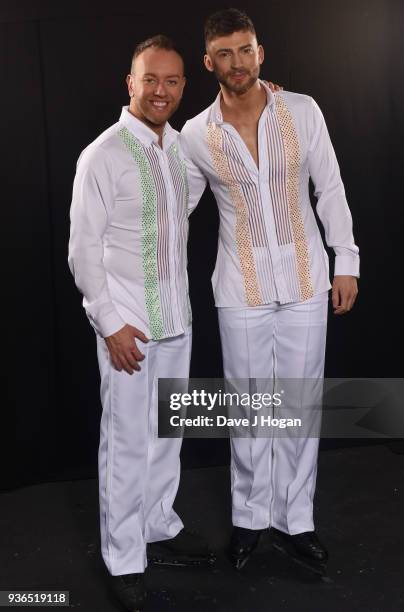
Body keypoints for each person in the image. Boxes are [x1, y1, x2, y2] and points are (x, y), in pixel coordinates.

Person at [180, 8, 359, 570]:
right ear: (210, 63)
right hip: (240, 287)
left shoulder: (302, 111)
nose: (238, 62)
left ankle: (295, 521)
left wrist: (346, 260)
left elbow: (329, 186)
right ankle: (251, 520)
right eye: (225, 53)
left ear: (261, 52)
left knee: (299, 405)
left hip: (308, 280)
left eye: (246, 49)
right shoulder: (195, 135)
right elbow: (176, 210)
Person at [68, 35, 212, 612]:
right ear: (130, 83)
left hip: (176, 323)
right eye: (150, 79)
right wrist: (109, 324)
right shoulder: (100, 155)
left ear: (182, 87)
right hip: (127, 331)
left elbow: (183, 208)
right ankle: (123, 557)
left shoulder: (181, 151)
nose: (161, 90)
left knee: (167, 438)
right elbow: (82, 250)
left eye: (172, 81)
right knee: (127, 445)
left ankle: (158, 526)